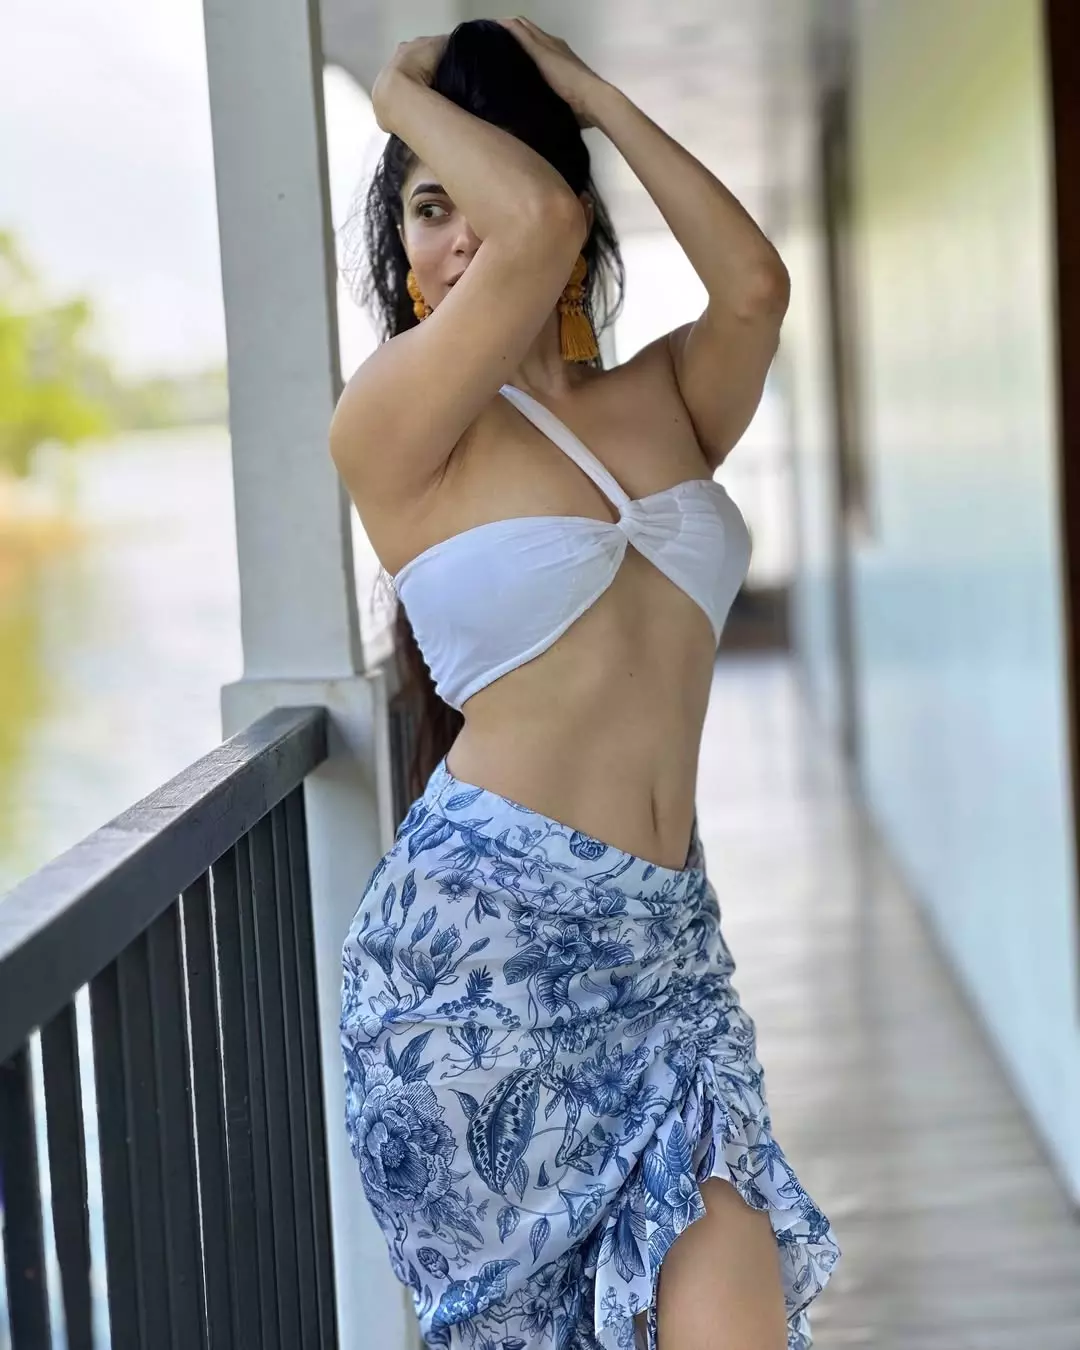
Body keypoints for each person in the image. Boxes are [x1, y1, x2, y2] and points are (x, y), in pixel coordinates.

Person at [336, 17, 840, 1350]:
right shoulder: (396, 429)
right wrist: (393, 91)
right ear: (400, 249)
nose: (465, 234)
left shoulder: (663, 396)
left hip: (665, 953)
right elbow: (539, 220)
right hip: (475, 975)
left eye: (484, 189)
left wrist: (585, 89)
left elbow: (757, 288)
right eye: (429, 207)